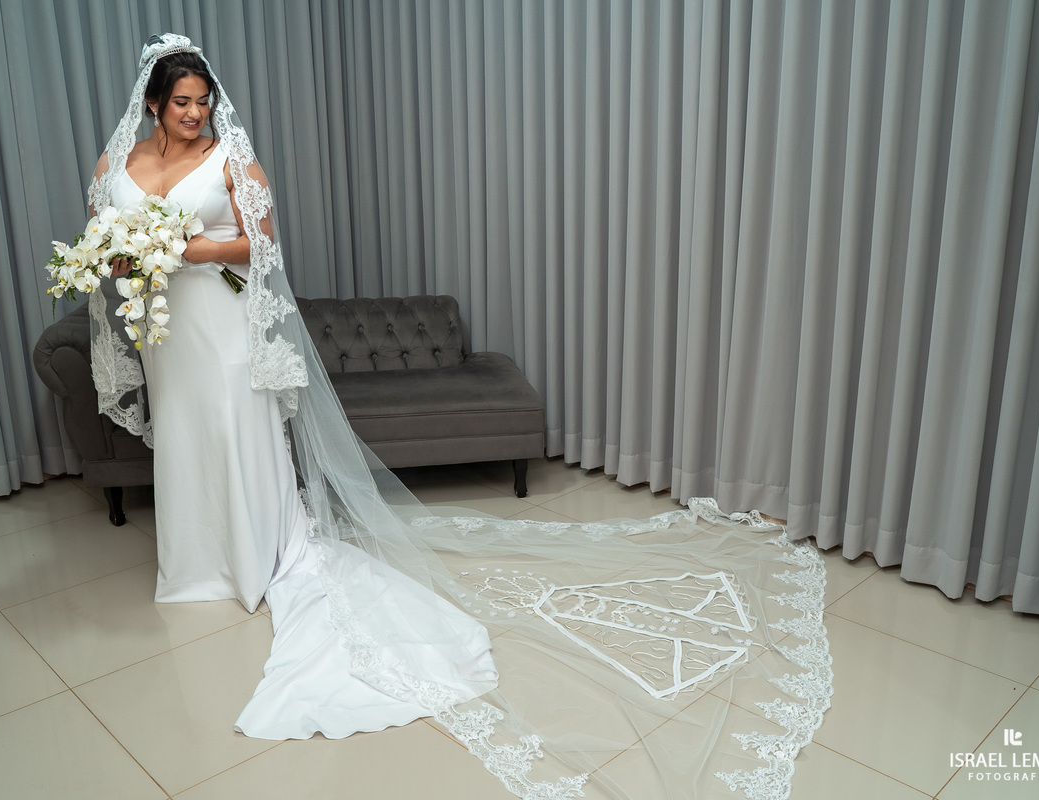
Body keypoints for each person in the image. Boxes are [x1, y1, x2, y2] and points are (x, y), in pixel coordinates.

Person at [84, 33, 832, 800]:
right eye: (182, 104)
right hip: (166, 336)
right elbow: (107, 249)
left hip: (222, 327)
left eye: (204, 103)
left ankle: (254, 558)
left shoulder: (232, 160)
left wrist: (196, 251)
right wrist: (130, 258)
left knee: (237, 436)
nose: (196, 115)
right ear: (152, 104)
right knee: (184, 438)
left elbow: (262, 247)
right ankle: (195, 564)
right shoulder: (119, 167)